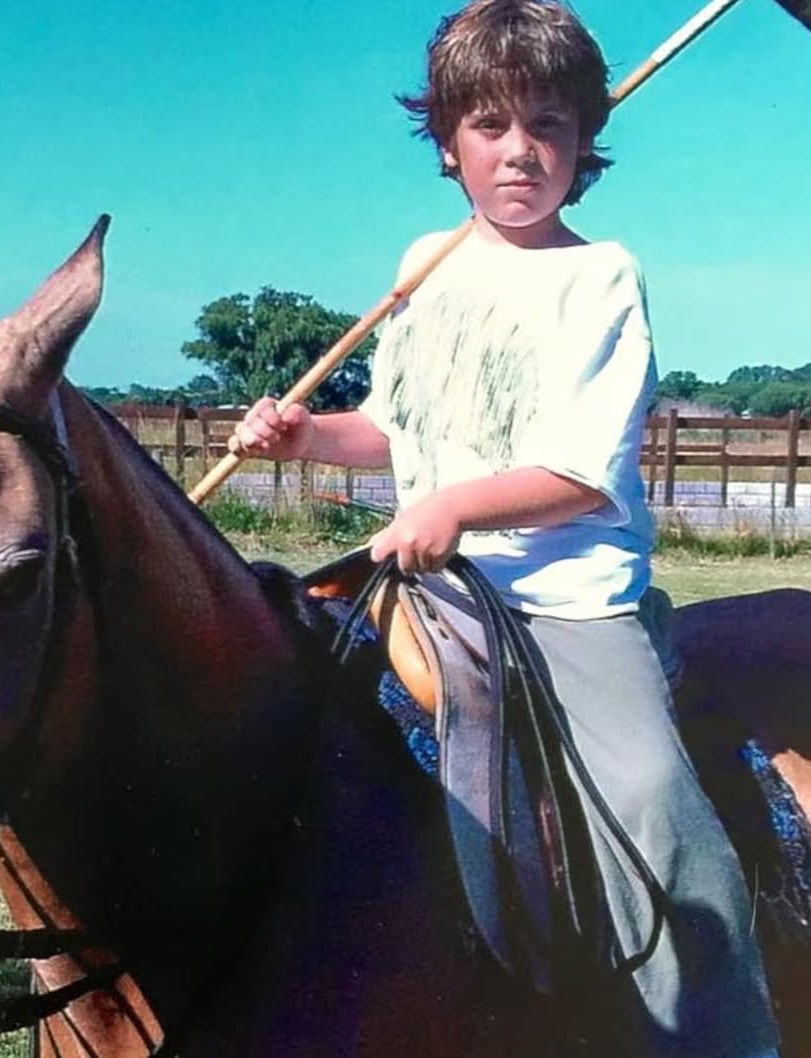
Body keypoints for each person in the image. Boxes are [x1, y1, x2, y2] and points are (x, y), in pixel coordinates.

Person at [229, 2, 779, 1056]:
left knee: (652, 797)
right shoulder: (425, 263)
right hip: (418, 582)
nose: (520, 150)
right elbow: (394, 429)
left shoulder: (599, 275)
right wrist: (303, 439)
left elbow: (578, 473)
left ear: (583, 142)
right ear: (448, 144)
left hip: (561, 601)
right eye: (490, 125)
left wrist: (451, 507)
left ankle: (719, 1032)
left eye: (548, 124)